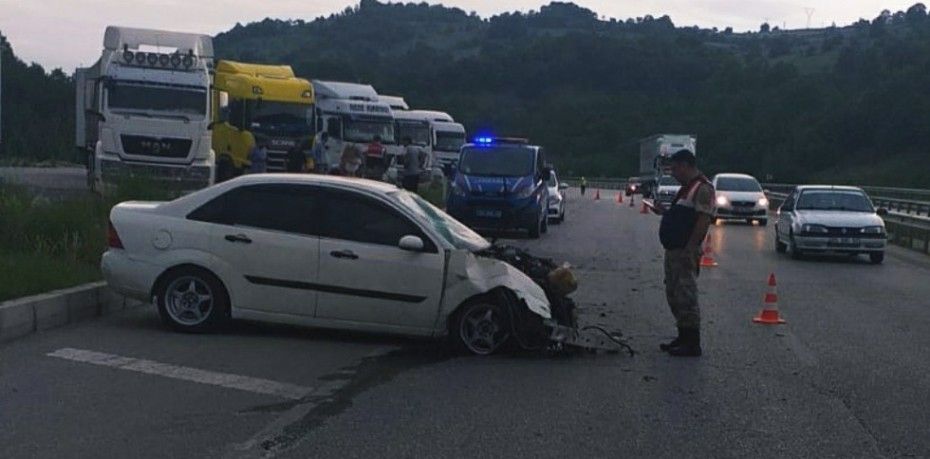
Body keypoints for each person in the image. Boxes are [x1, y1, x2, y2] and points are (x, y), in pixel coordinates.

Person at [651, 149, 715, 357]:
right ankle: (682, 335)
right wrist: (664, 213)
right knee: (674, 293)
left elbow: (703, 220)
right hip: (674, 249)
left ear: (686, 165)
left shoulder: (702, 188)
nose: (674, 173)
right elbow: (681, 217)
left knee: (686, 294)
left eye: (676, 168)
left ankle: (692, 341)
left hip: (684, 250)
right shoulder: (686, 189)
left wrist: (691, 248)